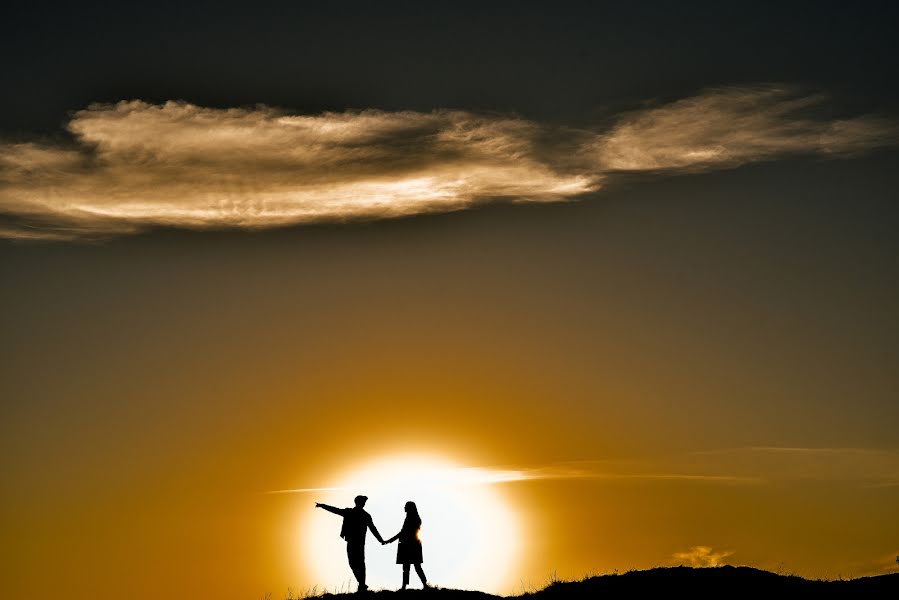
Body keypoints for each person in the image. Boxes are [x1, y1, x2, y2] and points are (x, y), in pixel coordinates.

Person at [315, 495, 386, 592]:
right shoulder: (349, 512)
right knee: (353, 563)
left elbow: (373, 528)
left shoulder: (366, 515)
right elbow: (335, 510)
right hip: (351, 541)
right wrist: (323, 506)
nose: (364, 504)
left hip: (359, 543)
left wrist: (380, 540)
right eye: (362, 502)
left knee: (360, 563)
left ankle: (362, 585)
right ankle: (362, 583)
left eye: (364, 502)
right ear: (357, 502)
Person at [384, 501, 428, 590]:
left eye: (406, 506)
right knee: (414, 566)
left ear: (409, 508)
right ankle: (423, 584)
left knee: (409, 567)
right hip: (413, 544)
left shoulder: (410, 518)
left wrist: (390, 540)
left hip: (409, 544)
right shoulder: (415, 518)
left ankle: (406, 586)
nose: (404, 508)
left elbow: (403, 532)